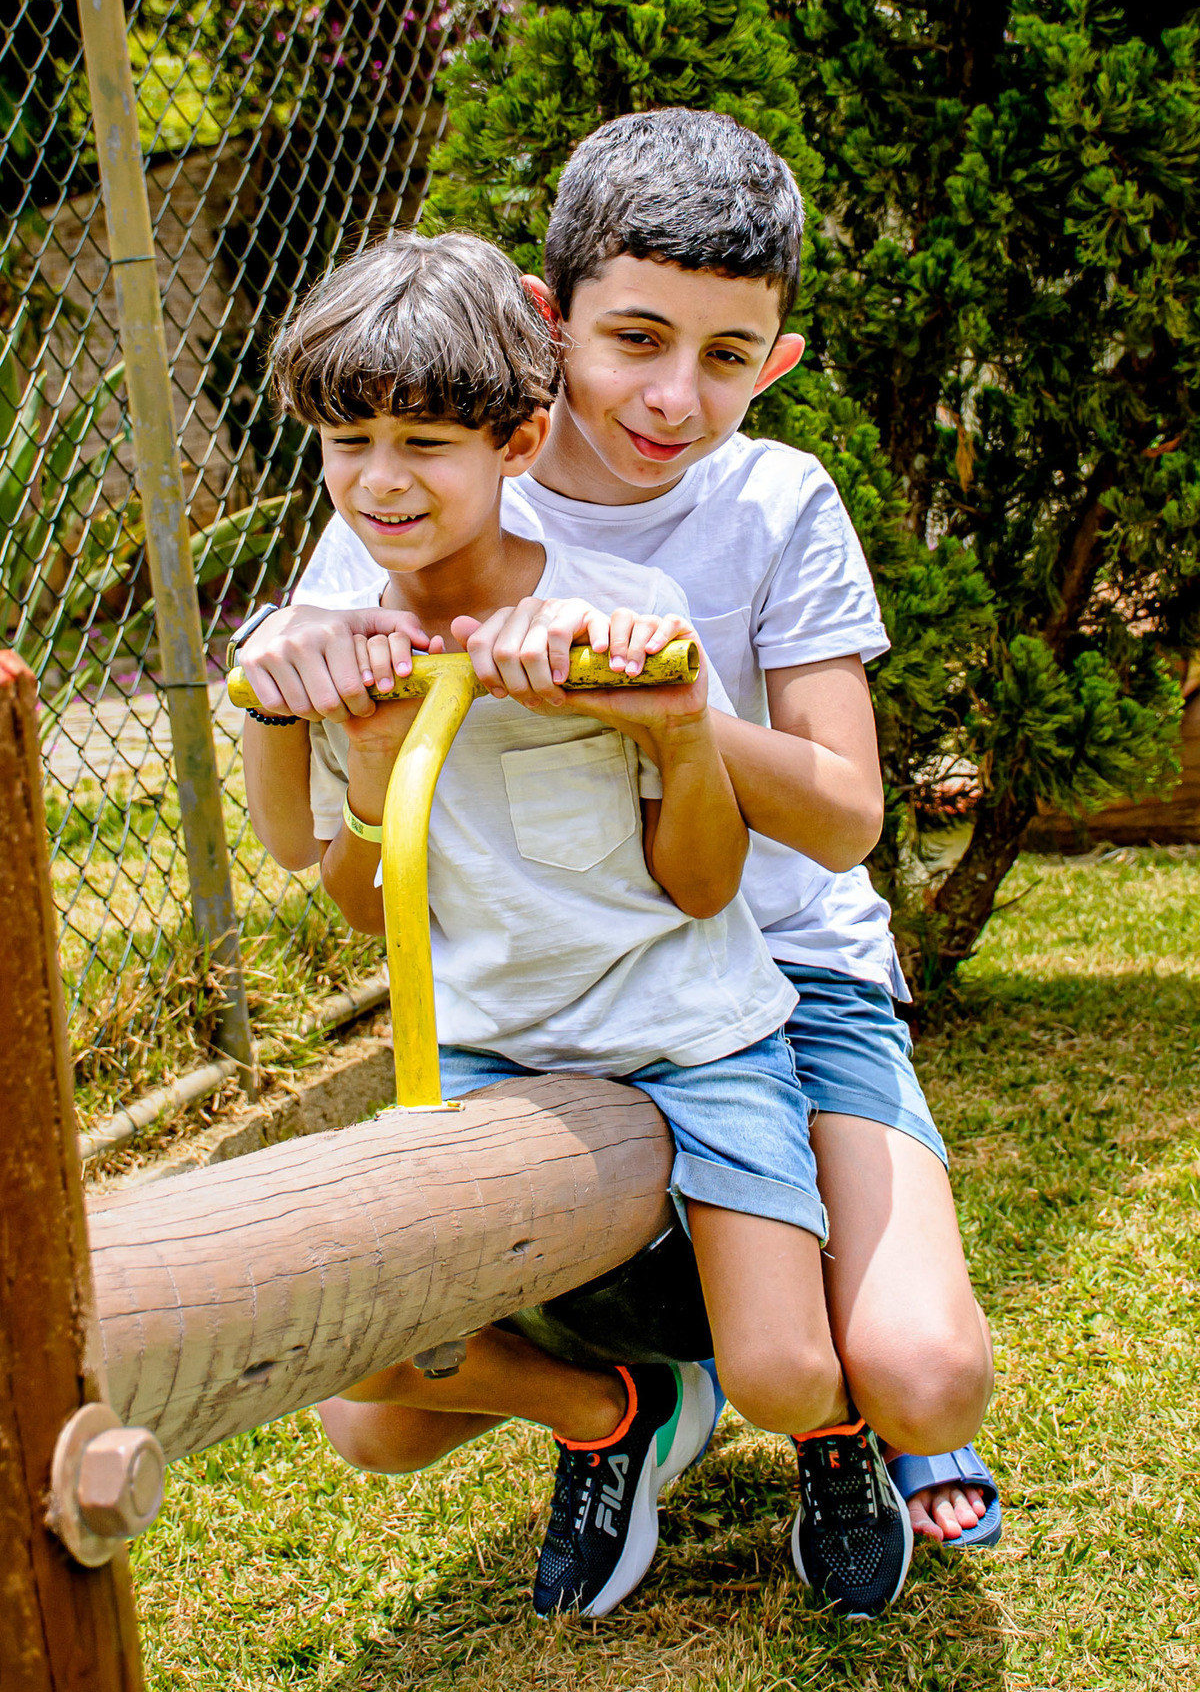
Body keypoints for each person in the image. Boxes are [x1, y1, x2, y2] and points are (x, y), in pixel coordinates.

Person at [235, 111, 999, 1603]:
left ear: (776, 362)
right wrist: (290, 667)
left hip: (784, 973)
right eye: (636, 338)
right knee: (372, 1410)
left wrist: (667, 703)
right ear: (548, 322)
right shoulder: (436, 470)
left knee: (922, 1377)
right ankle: (624, 1409)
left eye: (727, 357)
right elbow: (332, 765)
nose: (673, 395)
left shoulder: (775, 501)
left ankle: (845, 1416)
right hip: (546, 993)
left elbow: (847, 815)